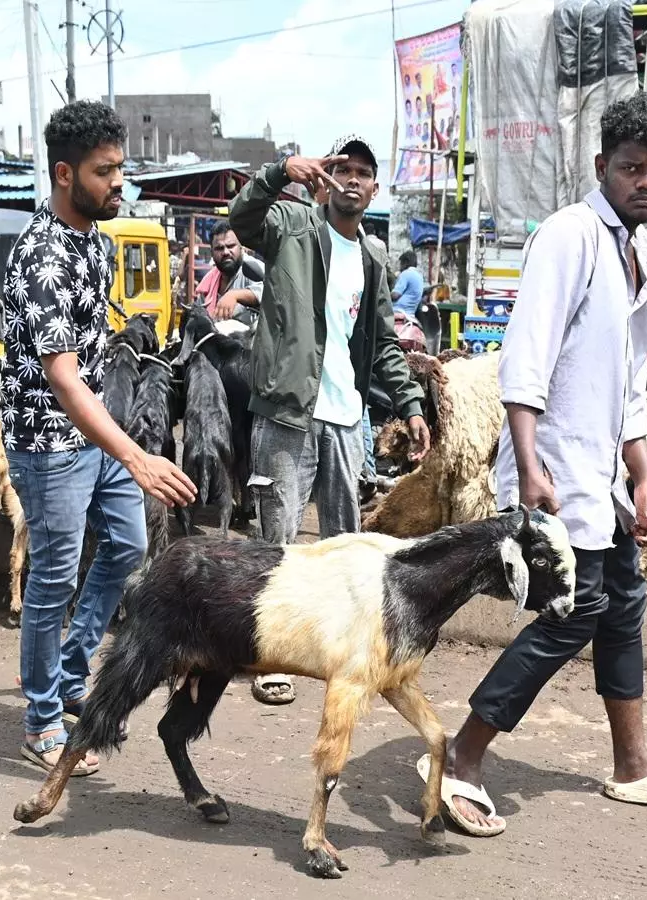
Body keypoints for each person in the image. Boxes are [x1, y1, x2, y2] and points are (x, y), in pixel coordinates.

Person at [425, 94, 647, 837]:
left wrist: (643, 470)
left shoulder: (640, 249)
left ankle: (632, 763)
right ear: (601, 168)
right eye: (631, 169)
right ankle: (461, 753)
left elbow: (627, 375)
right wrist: (528, 467)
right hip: (554, 463)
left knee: (623, 605)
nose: (646, 182)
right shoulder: (571, 235)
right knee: (577, 610)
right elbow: (526, 362)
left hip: (603, 470)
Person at [0, 100, 196, 775]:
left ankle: (71, 669)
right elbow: (63, 380)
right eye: (105, 172)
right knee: (52, 579)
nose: (120, 183)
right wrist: (137, 454)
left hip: (94, 429)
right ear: (64, 174)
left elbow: (92, 356)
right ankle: (41, 720)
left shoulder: (98, 241)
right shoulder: (42, 256)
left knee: (129, 544)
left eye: (121, 169)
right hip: (50, 439)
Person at [229, 134, 431, 706]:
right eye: (343, 167)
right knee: (279, 537)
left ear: (374, 188)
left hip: (347, 420)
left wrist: (410, 405)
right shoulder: (292, 225)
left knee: (346, 546)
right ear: (328, 175)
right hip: (289, 412)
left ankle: (340, 652)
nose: (352, 178)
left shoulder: (373, 258)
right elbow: (242, 218)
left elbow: (385, 343)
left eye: (364, 172)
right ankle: (268, 655)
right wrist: (278, 172)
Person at [201, 226, 264, 327]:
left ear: (241, 247)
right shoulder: (209, 281)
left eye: (230, 246)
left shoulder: (252, 267)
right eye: (219, 248)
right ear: (211, 253)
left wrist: (235, 295)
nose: (225, 252)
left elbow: (272, 290)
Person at [391, 250, 425, 319]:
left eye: (400, 264)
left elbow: (395, 295)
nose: (399, 267)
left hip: (398, 311)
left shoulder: (406, 274)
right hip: (410, 314)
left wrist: (386, 295)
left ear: (406, 262)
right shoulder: (419, 276)